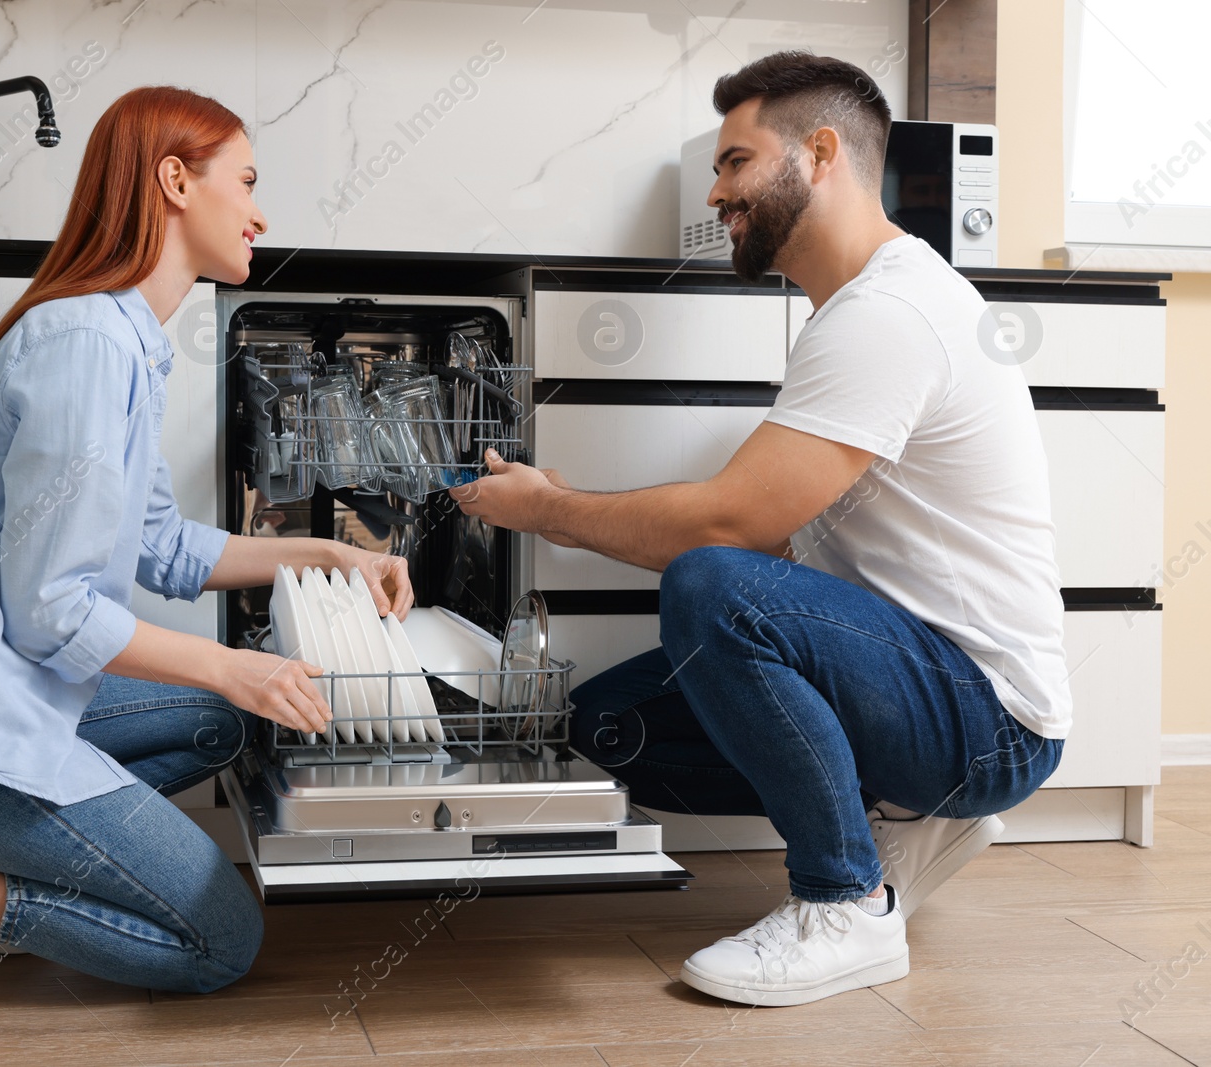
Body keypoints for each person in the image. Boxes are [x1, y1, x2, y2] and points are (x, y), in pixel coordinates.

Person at [0, 85, 412, 1041]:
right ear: (175, 180)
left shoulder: (122, 339)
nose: (262, 212)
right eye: (250, 181)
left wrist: (332, 559)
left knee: (226, 723)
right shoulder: (90, 343)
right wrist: (237, 662)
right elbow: (52, 616)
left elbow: (163, 547)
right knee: (221, 941)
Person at [452, 51, 1068, 1006]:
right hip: (918, 679)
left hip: (989, 717)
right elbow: (781, 539)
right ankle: (900, 817)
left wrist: (550, 513)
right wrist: (575, 507)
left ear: (820, 153)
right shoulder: (849, 312)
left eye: (736, 162)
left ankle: (842, 901)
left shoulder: (890, 313)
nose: (716, 189)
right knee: (612, 724)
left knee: (708, 584)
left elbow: (734, 526)